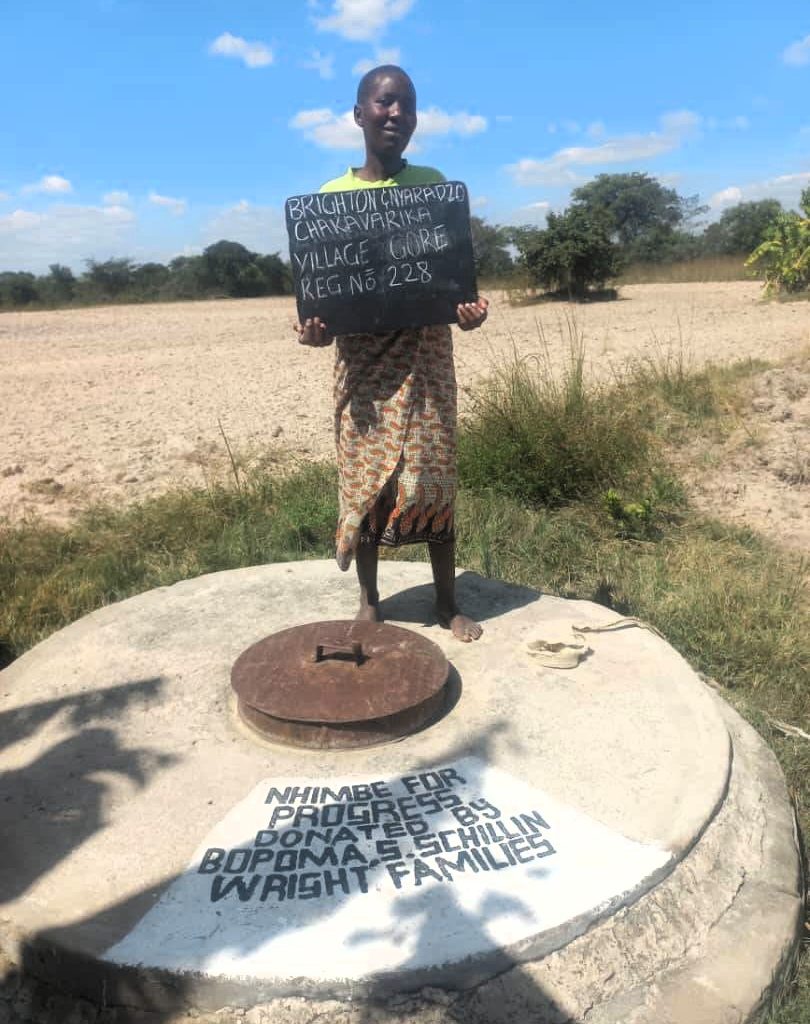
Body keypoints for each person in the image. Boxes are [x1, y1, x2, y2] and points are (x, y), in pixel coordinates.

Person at [294, 65, 488, 642]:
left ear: (415, 118)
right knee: (369, 485)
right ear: (359, 115)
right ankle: (370, 601)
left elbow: (454, 286)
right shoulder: (330, 201)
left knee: (433, 480)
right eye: (383, 103)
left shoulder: (433, 187)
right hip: (364, 373)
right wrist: (314, 332)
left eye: (405, 104)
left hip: (427, 364)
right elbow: (316, 307)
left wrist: (469, 314)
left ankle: (446, 603)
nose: (395, 113)